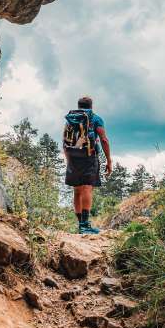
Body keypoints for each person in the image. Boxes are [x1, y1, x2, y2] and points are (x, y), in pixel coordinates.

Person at [62, 96, 111, 234]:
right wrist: (109, 160)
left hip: (73, 157)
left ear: (78, 106)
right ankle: (85, 225)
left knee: (77, 191)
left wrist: (69, 160)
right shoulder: (95, 118)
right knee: (87, 189)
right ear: (91, 106)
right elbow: (104, 140)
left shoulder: (70, 119)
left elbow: (65, 141)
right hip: (89, 156)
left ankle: (81, 225)